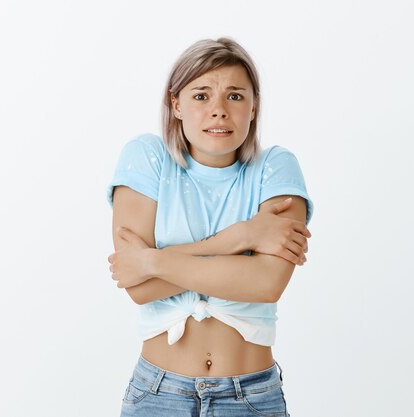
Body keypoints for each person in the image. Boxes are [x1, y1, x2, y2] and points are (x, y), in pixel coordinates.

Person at [106, 37, 313, 417]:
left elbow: (266, 283)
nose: (218, 110)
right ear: (176, 105)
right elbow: (138, 288)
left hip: (250, 398)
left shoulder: (275, 168)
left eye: (235, 96)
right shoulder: (147, 158)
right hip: (157, 394)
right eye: (201, 96)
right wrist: (241, 238)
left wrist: (151, 261)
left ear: (254, 107)